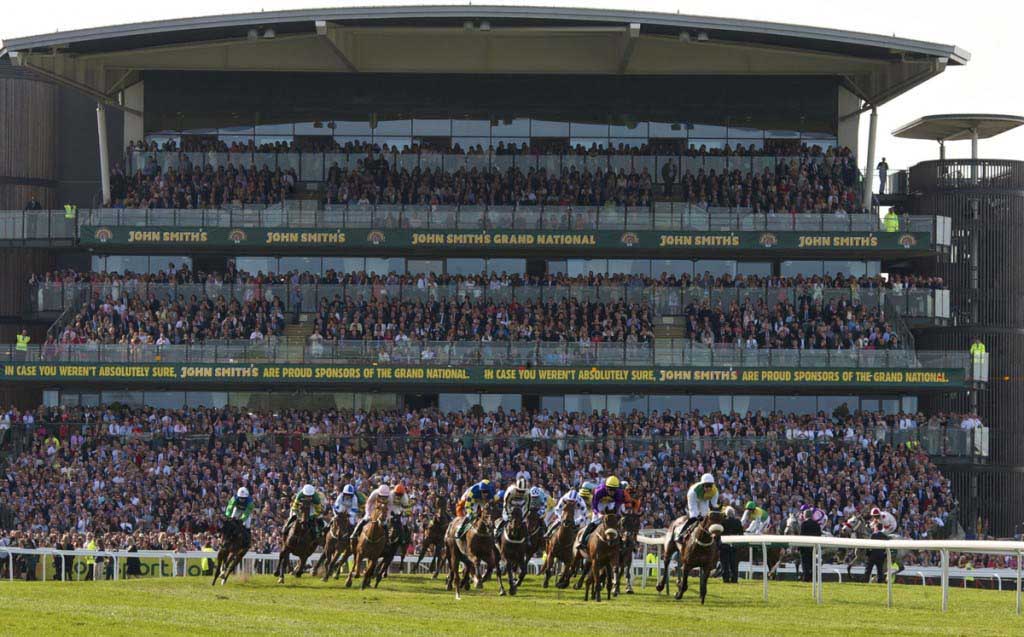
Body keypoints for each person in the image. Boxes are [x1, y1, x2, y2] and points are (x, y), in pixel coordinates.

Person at [580, 476, 625, 546]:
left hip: (610, 503)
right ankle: (583, 541)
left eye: (614, 490)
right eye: (610, 489)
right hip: (600, 504)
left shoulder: (619, 492)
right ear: (606, 487)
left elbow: (618, 503)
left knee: (616, 520)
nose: (612, 492)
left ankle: (622, 541)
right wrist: (598, 513)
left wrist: (614, 512)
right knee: (594, 522)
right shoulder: (599, 491)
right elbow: (594, 506)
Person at [679, 473, 719, 537]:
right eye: (706, 486)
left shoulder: (715, 492)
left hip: (704, 499)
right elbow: (693, 508)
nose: (708, 488)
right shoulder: (693, 491)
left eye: (710, 486)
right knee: (694, 516)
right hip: (694, 497)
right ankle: (681, 534)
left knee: (704, 515)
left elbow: (714, 505)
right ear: (703, 485)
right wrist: (697, 515)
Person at [719, 506, 744, 583]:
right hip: (734, 544)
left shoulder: (722, 522)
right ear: (733, 513)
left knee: (724, 563)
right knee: (734, 563)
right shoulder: (738, 522)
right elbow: (741, 534)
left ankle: (725, 579)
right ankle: (734, 578)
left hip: (724, 545)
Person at [799, 507, 822, 582]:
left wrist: (799, 547)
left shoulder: (804, 524)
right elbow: (819, 535)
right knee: (813, 563)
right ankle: (813, 577)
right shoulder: (816, 524)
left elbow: (801, 536)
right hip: (814, 547)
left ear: (805, 515)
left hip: (805, 547)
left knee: (805, 564)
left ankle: (806, 578)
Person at [865, 518, 889, 583]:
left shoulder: (873, 535)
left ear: (876, 528)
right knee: (880, 570)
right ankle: (879, 582)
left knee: (868, 570)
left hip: (872, 555)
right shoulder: (885, 536)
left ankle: (866, 581)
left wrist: (868, 554)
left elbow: (868, 545)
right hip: (881, 556)